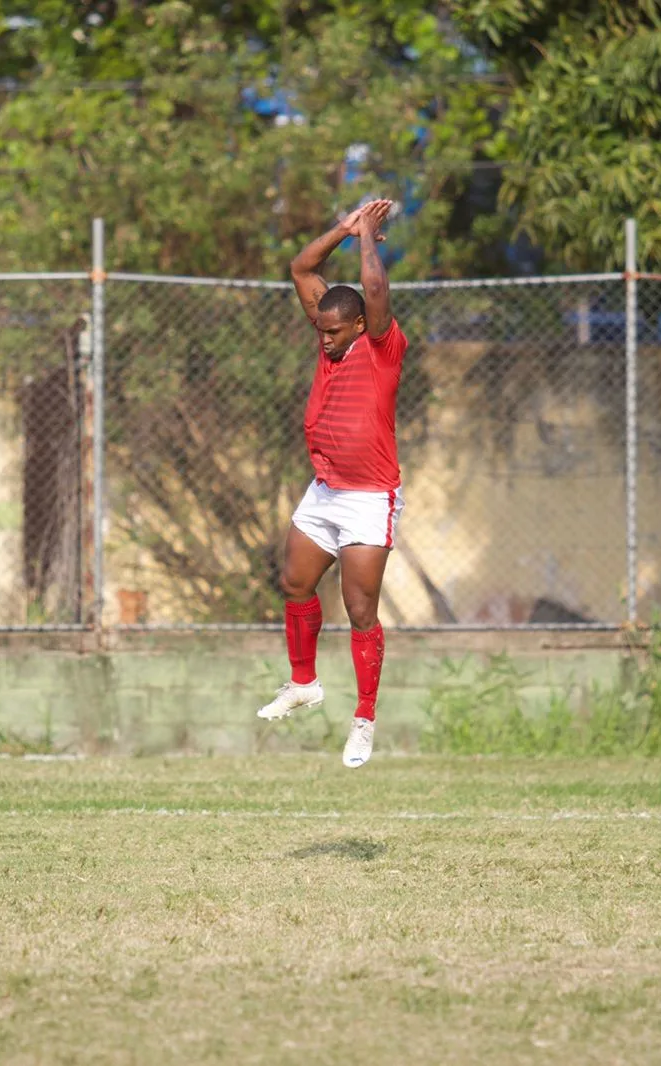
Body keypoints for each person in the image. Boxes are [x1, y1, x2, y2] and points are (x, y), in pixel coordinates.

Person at [257, 198, 406, 769]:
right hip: (325, 490)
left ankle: (364, 719)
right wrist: (343, 229)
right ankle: (303, 684)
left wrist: (367, 237)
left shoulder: (379, 346)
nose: (324, 340)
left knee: (359, 609)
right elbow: (300, 268)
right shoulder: (330, 333)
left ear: (361, 324)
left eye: (335, 331)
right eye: (321, 330)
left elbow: (374, 290)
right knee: (295, 582)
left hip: (369, 498)